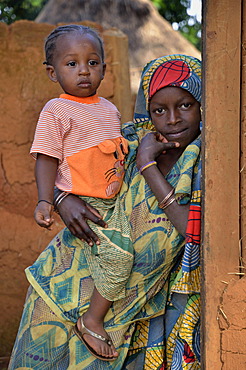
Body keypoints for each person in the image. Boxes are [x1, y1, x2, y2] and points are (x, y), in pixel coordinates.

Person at [9, 54, 202, 369]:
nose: (172, 119)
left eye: (185, 105)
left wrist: (148, 166)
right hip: (60, 285)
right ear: (147, 111)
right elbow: (63, 165)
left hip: (122, 315)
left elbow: (193, 231)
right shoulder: (123, 138)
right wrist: (60, 199)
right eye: (159, 109)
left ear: (202, 104)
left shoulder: (205, 163)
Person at [29, 24, 134, 361]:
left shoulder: (110, 109)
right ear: (51, 72)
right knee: (120, 260)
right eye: (71, 64)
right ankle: (91, 320)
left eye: (92, 62)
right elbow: (47, 158)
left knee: (126, 251)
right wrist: (48, 200)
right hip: (86, 203)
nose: (84, 71)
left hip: (114, 201)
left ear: (104, 67)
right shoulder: (56, 110)